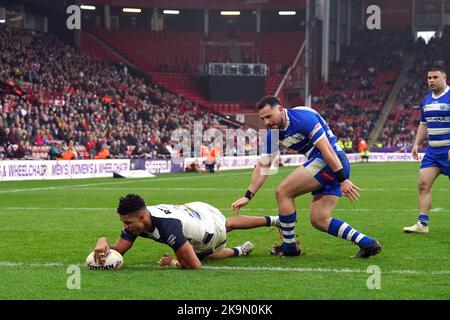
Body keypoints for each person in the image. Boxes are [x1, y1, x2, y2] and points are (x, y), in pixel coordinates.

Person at [231, 96, 381, 258]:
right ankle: (368, 243)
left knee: (283, 192)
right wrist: (248, 195)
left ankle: (290, 248)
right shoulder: (273, 135)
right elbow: (263, 166)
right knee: (319, 219)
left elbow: (327, 150)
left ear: (281, 110)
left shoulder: (302, 118)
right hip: (329, 165)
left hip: (331, 161)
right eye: (263, 118)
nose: (266, 122)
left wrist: (343, 179)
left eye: (269, 116)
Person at [92, 194, 280, 269]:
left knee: (204, 254)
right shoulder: (139, 218)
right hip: (195, 209)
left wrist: (173, 262)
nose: (125, 227)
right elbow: (118, 251)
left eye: (127, 222)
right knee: (228, 222)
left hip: (210, 233)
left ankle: (240, 249)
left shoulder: (167, 227)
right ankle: (273, 220)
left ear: (141, 217)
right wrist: (102, 241)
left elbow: (195, 266)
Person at [403, 65, 450, 234]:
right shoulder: (427, 100)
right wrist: (416, 144)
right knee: (423, 184)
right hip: (433, 152)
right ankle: (422, 224)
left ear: (444, 78)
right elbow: (424, 124)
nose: (431, 80)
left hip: (449, 149)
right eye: (429, 78)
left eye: (435, 77)